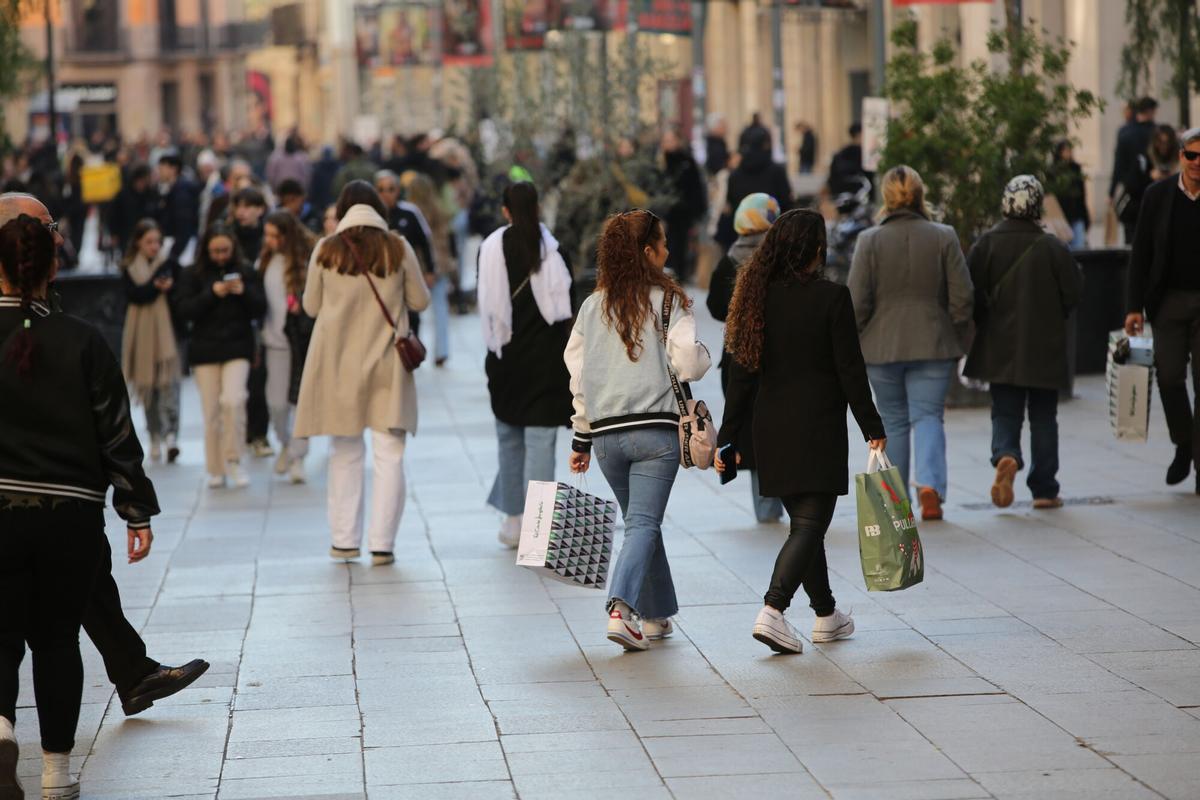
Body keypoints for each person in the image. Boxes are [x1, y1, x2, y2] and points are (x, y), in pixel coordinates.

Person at [0, 212, 159, 800]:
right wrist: (135, 509)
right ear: (53, 268)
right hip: (69, 512)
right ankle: (56, 776)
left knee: (0, 635)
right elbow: (116, 433)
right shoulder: (83, 339)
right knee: (58, 640)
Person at [716, 209, 887, 655]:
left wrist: (727, 437)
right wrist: (873, 426)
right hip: (817, 428)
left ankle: (827, 616)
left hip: (769, 429)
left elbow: (741, 377)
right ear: (815, 249)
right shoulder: (832, 298)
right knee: (810, 525)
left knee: (805, 526)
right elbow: (850, 370)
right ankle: (773, 610)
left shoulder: (757, 299)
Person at [564, 209, 712, 652]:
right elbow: (689, 362)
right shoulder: (668, 302)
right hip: (654, 434)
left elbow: (578, 374)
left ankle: (655, 614)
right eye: (662, 244)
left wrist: (581, 437)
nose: (668, 251)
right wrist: (703, 354)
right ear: (648, 252)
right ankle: (621, 608)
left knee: (640, 523)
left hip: (607, 436)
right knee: (643, 524)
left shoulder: (593, 307)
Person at [293, 181, 431, 565]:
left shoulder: (326, 248)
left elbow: (310, 305)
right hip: (387, 363)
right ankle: (382, 544)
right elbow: (421, 299)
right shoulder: (397, 247)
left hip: (338, 365)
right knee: (389, 454)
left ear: (340, 210)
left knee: (344, 452)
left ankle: (344, 539)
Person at [848, 166, 973, 521]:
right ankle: (930, 487)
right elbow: (963, 297)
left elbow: (857, 301)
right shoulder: (944, 236)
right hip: (933, 341)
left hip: (881, 346)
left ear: (885, 198)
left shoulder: (869, 241)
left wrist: (857, 338)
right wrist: (956, 328)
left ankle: (895, 501)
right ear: (921, 195)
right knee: (929, 415)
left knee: (893, 422)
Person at [964, 176, 1082, 509]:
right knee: (1044, 415)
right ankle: (1044, 488)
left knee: (1005, 411)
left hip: (1000, 345)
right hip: (1044, 346)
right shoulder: (1053, 247)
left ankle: (1007, 455)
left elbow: (972, 294)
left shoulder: (985, 244)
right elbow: (1073, 293)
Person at [478, 183, 574, 547]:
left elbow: (487, 305)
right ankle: (540, 528)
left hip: (505, 359)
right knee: (540, 442)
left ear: (505, 211)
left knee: (509, 439)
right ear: (537, 208)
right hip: (546, 363)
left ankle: (513, 524)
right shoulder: (553, 250)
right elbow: (568, 312)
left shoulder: (489, 249)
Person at [1126, 127, 1200, 492]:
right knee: (1169, 377)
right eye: (1192, 156)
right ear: (1181, 156)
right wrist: (1133, 307)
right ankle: (1184, 443)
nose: (1198, 163)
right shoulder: (1158, 196)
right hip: (1168, 301)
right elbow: (1140, 255)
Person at [707, 193, 784, 523]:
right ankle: (787, 498)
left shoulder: (730, 260)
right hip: (781, 352)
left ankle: (766, 508)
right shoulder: (781, 257)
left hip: (740, 354)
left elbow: (714, 306)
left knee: (753, 429)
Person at [176, 224, 266, 489]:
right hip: (205, 350)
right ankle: (215, 467)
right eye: (215, 251)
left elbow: (260, 307)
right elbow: (183, 310)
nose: (220, 256)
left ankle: (234, 460)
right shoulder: (192, 274)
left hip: (238, 347)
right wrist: (211, 294)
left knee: (234, 400)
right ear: (206, 250)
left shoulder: (246, 271)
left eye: (225, 250)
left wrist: (243, 292)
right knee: (212, 411)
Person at [120, 218, 183, 464]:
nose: (155, 247)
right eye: (149, 242)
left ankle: (171, 437)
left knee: (169, 387)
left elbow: (180, 296)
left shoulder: (172, 263)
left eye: (157, 241)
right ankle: (154, 435)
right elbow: (135, 295)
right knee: (149, 388)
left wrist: (169, 288)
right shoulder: (129, 266)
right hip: (142, 336)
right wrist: (157, 287)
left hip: (168, 336)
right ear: (138, 243)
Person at [259, 210, 315, 484]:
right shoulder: (266, 259)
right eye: (266, 235)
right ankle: (285, 443)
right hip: (274, 342)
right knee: (276, 403)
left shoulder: (305, 260)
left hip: (301, 341)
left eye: (274, 235)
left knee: (301, 402)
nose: (269, 240)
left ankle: (298, 456)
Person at [229, 187, 273, 459]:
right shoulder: (227, 237)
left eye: (248, 206)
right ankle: (243, 433)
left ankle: (259, 433)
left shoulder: (268, 239)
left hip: (263, 315)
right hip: (235, 316)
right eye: (239, 206)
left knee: (260, 379)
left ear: (260, 209)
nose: (242, 212)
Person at [402, 171, 455, 365]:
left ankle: (416, 347)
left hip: (419, 267)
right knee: (440, 309)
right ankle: (442, 350)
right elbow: (444, 240)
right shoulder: (438, 209)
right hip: (439, 264)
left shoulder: (410, 212)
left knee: (415, 309)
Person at [716, 126, 793, 250]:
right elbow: (786, 202)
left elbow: (731, 203)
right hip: (773, 239)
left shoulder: (735, 175)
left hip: (742, 240)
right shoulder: (776, 172)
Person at [659, 128, 708, 284]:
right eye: (665, 140)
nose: (668, 144)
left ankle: (677, 282)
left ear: (678, 141)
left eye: (671, 140)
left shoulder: (687, 162)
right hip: (661, 216)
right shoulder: (659, 163)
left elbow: (696, 189)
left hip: (682, 216)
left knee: (679, 251)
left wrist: (695, 212)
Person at [1110, 96, 1158, 243]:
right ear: (1151, 111)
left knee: (1131, 235)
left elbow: (1118, 165)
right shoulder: (1157, 133)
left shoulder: (1125, 133)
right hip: (1153, 188)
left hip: (1131, 192)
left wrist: (1111, 192)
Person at [157, 153, 200, 263]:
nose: (159, 172)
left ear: (173, 169)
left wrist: (174, 253)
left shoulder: (182, 193)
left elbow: (184, 224)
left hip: (181, 246)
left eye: (162, 168)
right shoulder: (172, 189)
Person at [111, 163, 162, 254]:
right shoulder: (123, 194)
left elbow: (157, 214)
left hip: (147, 236)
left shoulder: (152, 194)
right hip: (126, 235)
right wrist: (114, 234)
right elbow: (114, 215)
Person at [1052, 141, 1091, 251]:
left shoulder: (1075, 168)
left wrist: (1085, 215)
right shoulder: (1053, 171)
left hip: (1076, 213)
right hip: (1061, 216)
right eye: (1065, 150)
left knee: (1078, 249)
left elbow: (1082, 193)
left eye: (1070, 150)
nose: (1068, 154)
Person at [827, 122, 872, 196]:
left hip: (840, 194)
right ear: (859, 135)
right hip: (857, 194)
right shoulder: (863, 154)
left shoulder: (841, 153)